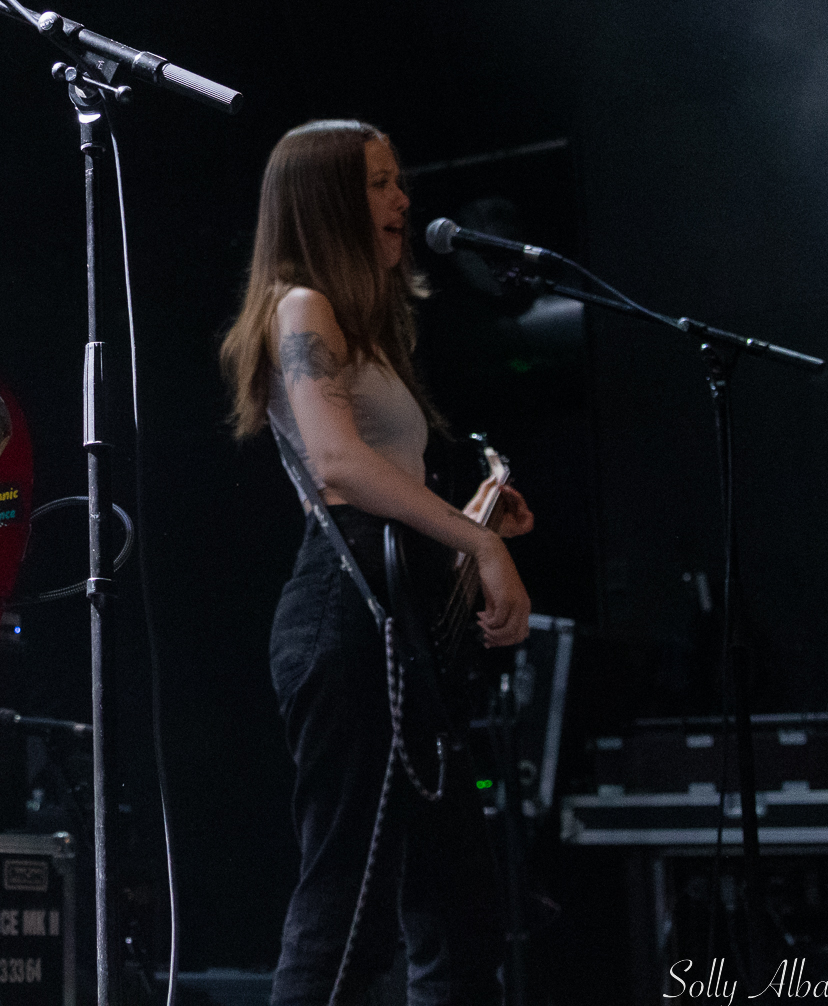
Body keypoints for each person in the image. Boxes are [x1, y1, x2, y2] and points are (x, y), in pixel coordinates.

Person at [218, 120, 535, 1006]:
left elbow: (387, 480)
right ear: (327, 202)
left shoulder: (364, 328)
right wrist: (473, 540)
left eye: (400, 182)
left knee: (460, 919)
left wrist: (472, 516)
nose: (403, 201)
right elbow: (339, 466)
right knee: (347, 913)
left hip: (395, 609)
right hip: (346, 612)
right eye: (381, 184)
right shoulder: (299, 307)